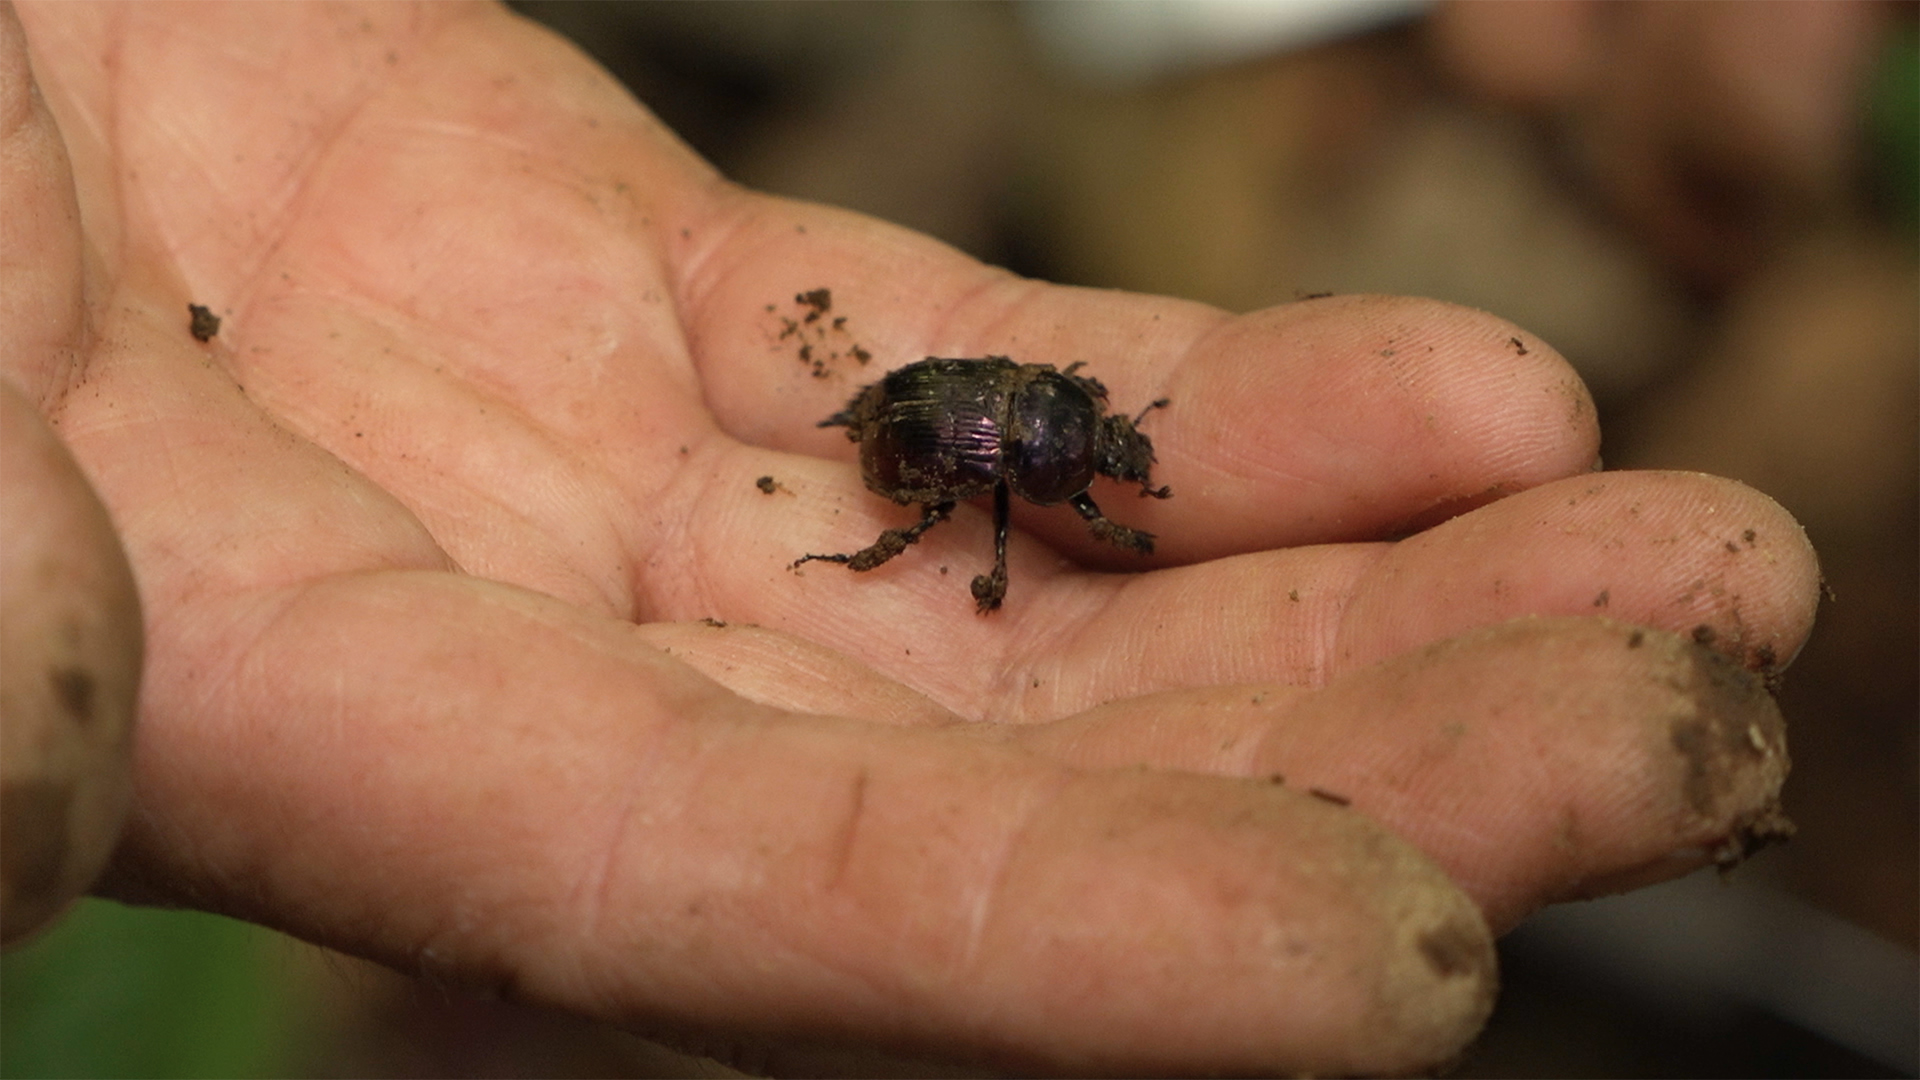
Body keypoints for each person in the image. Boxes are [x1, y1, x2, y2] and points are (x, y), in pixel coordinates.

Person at [0, 3, 1820, 1074]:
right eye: (1091, 463)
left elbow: (1046, 448)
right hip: (914, 421)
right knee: (961, 521)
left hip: (935, 400)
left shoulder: (1046, 437)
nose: (1097, 476)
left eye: (1095, 464)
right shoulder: (1000, 465)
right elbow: (999, 466)